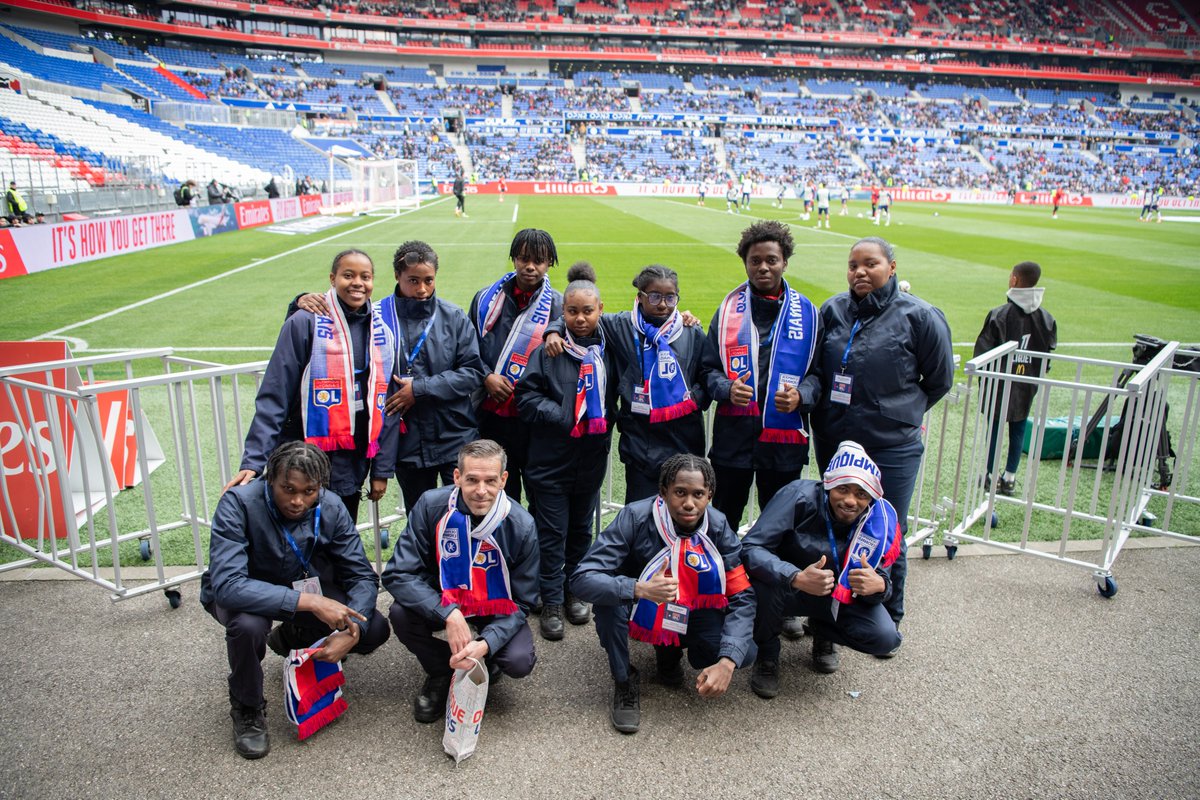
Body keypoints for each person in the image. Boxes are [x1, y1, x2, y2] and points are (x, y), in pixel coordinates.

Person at [201, 441, 390, 759]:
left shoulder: (331, 506)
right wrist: (314, 604)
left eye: (309, 491)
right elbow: (228, 585)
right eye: (287, 489)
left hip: (301, 587)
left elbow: (362, 576)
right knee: (247, 626)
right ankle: (247, 707)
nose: (298, 501)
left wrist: (349, 631)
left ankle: (291, 637)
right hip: (247, 591)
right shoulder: (238, 503)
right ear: (270, 479)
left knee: (372, 629)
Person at [808, 237, 954, 637]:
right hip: (836, 440)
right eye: (853, 265)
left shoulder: (920, 316)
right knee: (838, 522)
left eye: (869, 264)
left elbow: (939, 381)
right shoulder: (834, 310)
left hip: (890, 445)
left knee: (889, 526)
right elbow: (819, 370)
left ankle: (889, 610)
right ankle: (831, 612)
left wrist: (897, 413)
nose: (859, 272)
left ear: (891, 267)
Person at [292, 241, 486, 514]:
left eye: (428, 281)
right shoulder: (377, 317)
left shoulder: (452, 317)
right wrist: (298, 301)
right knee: (421, 519)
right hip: (407, 444)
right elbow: (338, 325)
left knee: (466, 514)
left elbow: (473, 373)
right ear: (397, 276)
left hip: (454, 436)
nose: (421, 289)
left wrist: (419, 388)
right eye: (413, 280)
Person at [571, 454, 757, 734]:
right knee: (608, 606)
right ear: (663, 492)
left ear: (710, 496)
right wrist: (637, 589)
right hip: (638, 604)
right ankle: (624, 681)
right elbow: (582, 578)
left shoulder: (718, 527)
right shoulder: (634, 516)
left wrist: (727, 662)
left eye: (698, 494)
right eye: (680, 493)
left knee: (746, 652)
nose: (689, 503)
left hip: (689, 608)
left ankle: (669, 652)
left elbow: (742, 596)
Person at [224, 249, 393, 524]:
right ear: (332, 278)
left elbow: (386, 406)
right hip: (301, 459)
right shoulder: (304, 322)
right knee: (296, 535)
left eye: (365, 276)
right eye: (348, 275)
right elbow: (274, 395)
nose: (357, 283)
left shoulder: (381, 331)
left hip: (352, 461)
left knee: (339, 533)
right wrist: (253, 461)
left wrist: (381, 468)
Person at [382, 439, 539, 723]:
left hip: (495, 606)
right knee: (400, 614)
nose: (481, 491)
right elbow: (397, 573)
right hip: (444, 598)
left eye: (491, 480)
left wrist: (486, 643)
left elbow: (523, 602)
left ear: (504, 479)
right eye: (472, 480)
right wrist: (448, 613)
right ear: (456, 477)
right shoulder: (431, 505)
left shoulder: (521, 524)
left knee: (518, 661)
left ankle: (478, 659)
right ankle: (442, 670)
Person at [741, 441, 903, 697]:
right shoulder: (797, 495)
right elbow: (750, 548)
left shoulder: (879, 520)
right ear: (828, 485)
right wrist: (794, 576)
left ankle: (823, 633)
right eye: (843, 489)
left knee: (885, 637)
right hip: (788, 591)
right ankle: (767, 653)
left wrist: (880, 586)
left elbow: (884, 577)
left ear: (871, 497)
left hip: (837, 596)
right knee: (764, 582)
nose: (851, 501)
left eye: (861, 494)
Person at [545, 265, 709, 503]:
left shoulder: (690, 331)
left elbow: (706, 375)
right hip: (640, 444)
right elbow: (581, 316)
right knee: (640, 517)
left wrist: (694, 399)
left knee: (680, 516)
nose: (662, 304)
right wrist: (553, 330)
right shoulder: (620, 325)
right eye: (654, 296)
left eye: (670, 297)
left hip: (683, 441)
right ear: (640, 297)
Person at [515, 263, 615, 640]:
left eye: (587, 311)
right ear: (563, 312)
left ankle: (576, 592)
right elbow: (525, 397)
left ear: (600, 309)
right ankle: (551, 599)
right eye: (571, 311)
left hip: (590, 461)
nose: (580, 318)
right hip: (550, 460)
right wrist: (563, 415)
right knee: (551, 532)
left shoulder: (610, 346)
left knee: (579, 531)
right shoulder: (549, 349)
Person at [702, 220, 819, 533]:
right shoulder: (727, 310)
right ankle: (726, 580)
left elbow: (818, 375)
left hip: (784, 445)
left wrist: (801, 395)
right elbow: (707, 368)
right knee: (722, 523)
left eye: (772, 260)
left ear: (785, 262)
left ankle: (773, 582)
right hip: (733, 441)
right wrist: (726, 388)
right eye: (755, 261)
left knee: (780, 525)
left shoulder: (807, 313)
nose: (764, 267)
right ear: (745, 263)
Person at [469, 228, 563, 506]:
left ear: (550, 263)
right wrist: (486, 376)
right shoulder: (485, 299)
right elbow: (468, 348)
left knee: (538, 488)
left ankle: (531, 547)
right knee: (498, 489)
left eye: (539, 260)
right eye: (523, 258)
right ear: (513, 259)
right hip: (492, 413)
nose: (530, 266)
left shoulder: (558, 305)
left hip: (534, 416)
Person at [973, 260, 1058, 496]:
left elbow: (983, 352)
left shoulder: (999, 315)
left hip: (999, 383)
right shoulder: (1047, 318)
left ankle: (990, 475)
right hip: (1027, 383)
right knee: (1018, 428)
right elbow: (1047, 355)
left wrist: (983, 381)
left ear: (1014, 280)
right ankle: (1010, 477)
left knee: (995, 430)